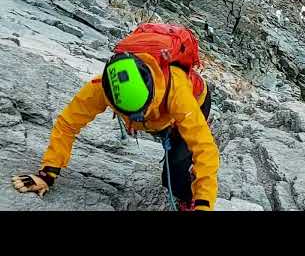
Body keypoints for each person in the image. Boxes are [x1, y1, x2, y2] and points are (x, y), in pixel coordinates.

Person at [11, 47, 220, 211]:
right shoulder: (101, 87)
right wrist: (48, 173)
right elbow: (68, 123)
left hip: (196, 103)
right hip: (161, 114)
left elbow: (205, 149)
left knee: (173, 174)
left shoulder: (177, 93)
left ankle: (188, 198)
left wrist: (204, 204)